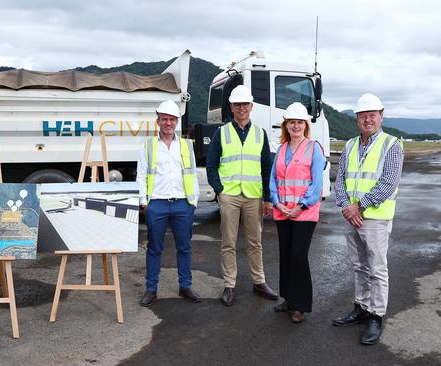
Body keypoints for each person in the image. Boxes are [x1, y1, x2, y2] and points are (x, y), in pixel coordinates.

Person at [332, 93, 404, 345]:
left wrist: (358, 206)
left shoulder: (391, 144)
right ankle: (361, 308)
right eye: (363, 116)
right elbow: (340, 178)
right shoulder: (350, 145)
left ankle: (376, 315)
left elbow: (388, 183)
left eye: (372, 115)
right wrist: (345, 206)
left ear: (381, 116)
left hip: (374, 218)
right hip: (351, 217)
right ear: (357, 119)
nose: (367, 119)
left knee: (377, 268)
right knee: (358, 265)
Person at [206, 85, 278, 306]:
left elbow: (267, 168)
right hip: (229, 195)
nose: (242, 108)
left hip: (253, 196)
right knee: (228, 242)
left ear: (251, 106)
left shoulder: (260, 134)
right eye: (238, 104)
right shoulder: (222, 132)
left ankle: (259, 282)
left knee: (255, 242)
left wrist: (267, 198)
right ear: (232, 107)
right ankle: (229, 284)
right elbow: (211, 164)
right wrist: (219, 190)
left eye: (245, 104)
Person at [136, 100, 201, 306]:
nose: (168, 123)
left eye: (172, 119)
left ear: (177, 122)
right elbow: (141, 175)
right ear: (158, 121)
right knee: (154, 248)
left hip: (183, 204)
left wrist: (194, 202)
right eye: (164, 119)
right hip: (157, 204)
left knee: (184, 247)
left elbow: (192, 174)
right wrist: (144, 202)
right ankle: (151, 289)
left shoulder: (185, 145)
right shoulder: (148, 146)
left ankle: (185, 286)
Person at [270, 103, 324, 323]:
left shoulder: (314, 148)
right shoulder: (281, 149)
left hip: (304, 213)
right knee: (285, 255)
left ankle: (300, 305)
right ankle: (288, 298)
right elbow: (273, 179)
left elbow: (316, 184)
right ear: (286, 125)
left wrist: (300, 206)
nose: (295, 126)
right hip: (283, 212)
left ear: (305, 125)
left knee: (298, 256)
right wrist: (276, 202)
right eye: (292, 122)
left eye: (299, 122)